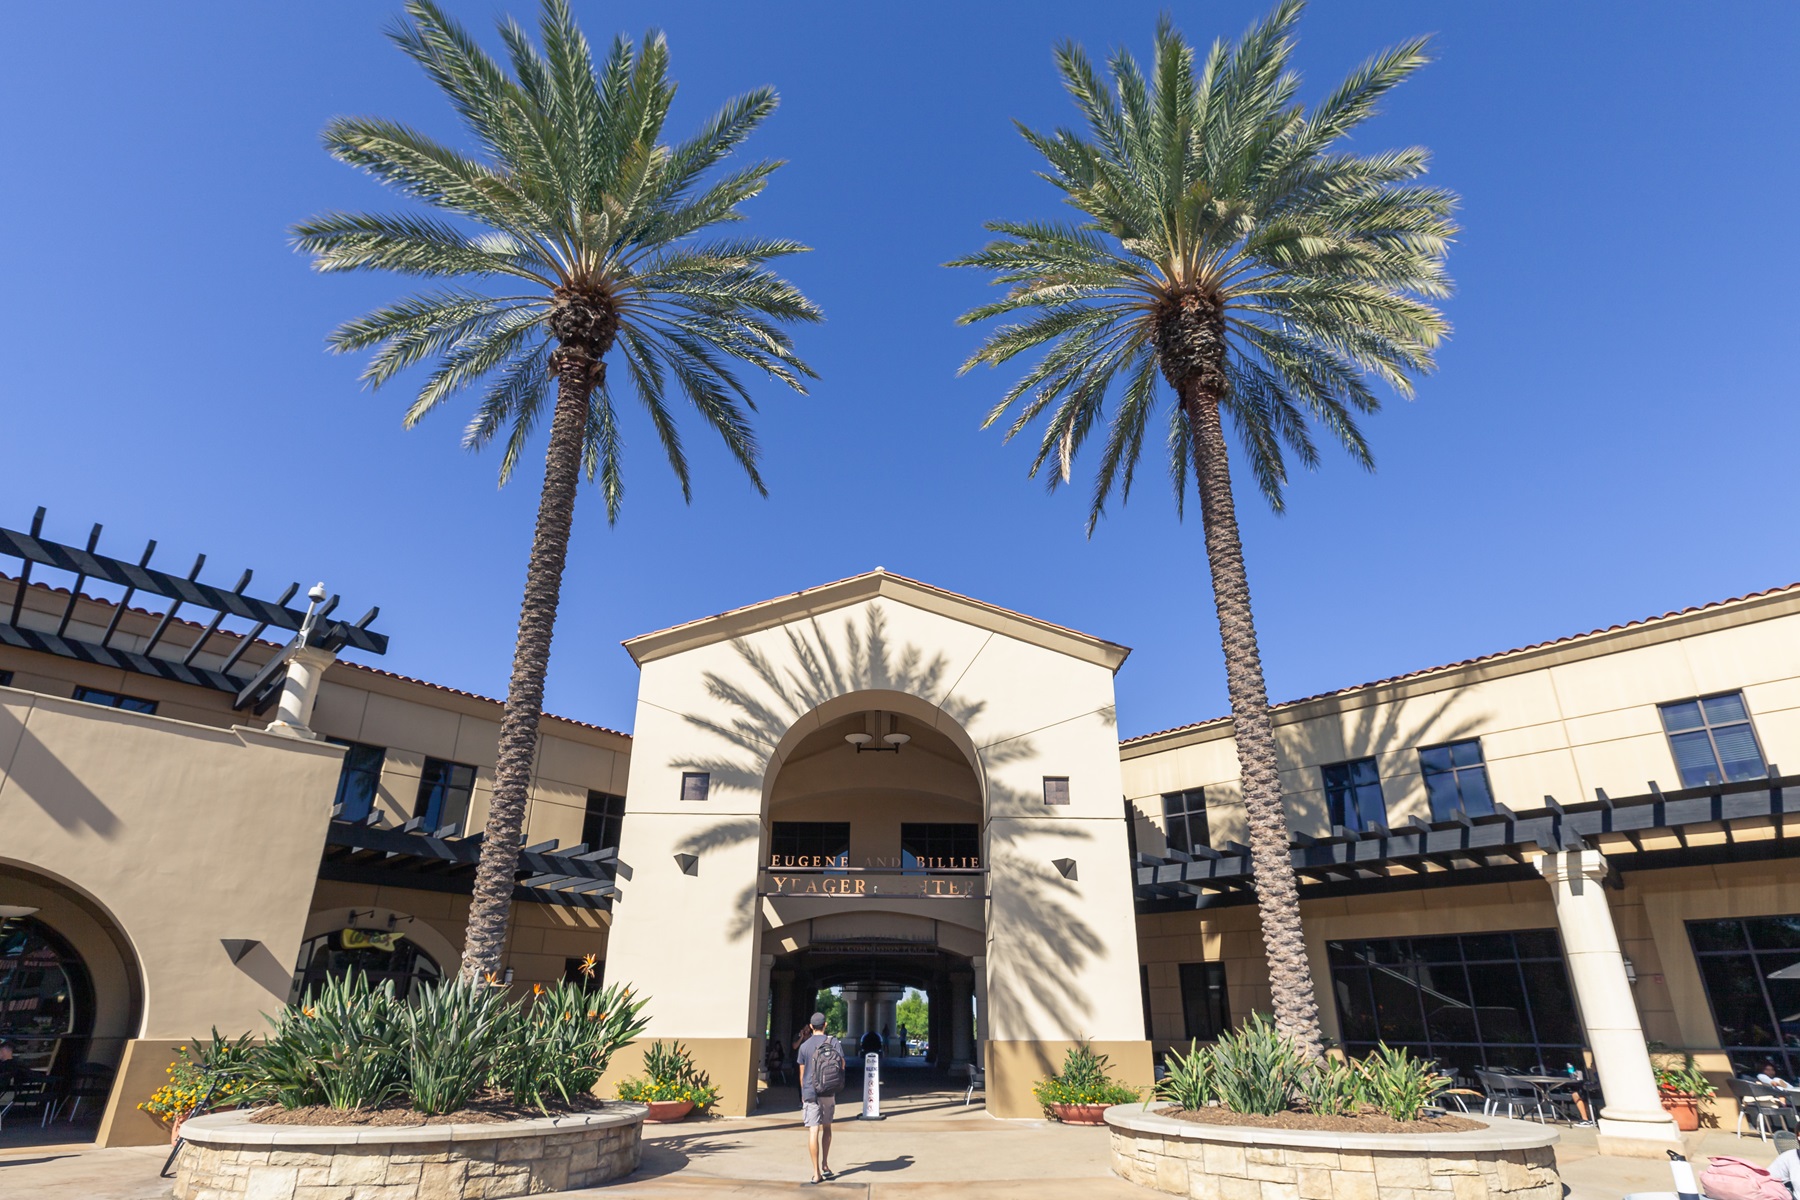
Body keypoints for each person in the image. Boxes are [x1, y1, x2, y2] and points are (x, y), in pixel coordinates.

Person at [795, 1013, 841, 1185]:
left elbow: (801, 1073)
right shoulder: (833, 1042)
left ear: (811, 1026)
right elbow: (842, 1065)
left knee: (813, 1130)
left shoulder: (804, 1046)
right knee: (827, 1128)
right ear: (825, 1025)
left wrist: (803, 1092)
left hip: (810, 1092)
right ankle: (825, 1164)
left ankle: (816, 1173)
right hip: (828, 1091)